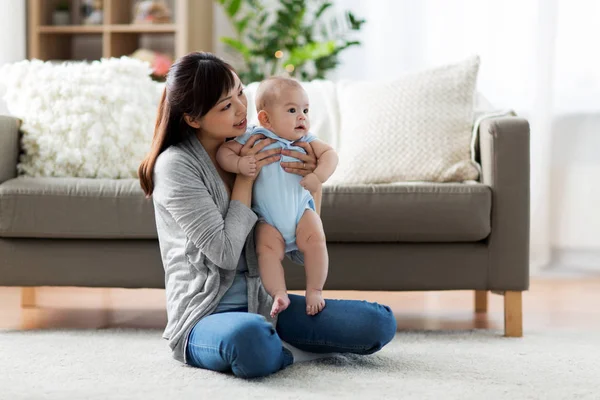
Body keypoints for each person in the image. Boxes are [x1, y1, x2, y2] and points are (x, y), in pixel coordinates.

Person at [138, 52, 397, 379]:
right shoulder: (177, 166)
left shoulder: (259, 142)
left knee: (378, 322)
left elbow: (299, 256)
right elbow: (226, 254)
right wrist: (246, 178)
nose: (242, 109)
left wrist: (310, 185)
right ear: (193, 119)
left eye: (240, 93)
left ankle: (280, 345)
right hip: (205, 315)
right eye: (226, 106)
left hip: (266, 305)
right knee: (251, 339)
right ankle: (285, 349)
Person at [216, 77, 337, 318]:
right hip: (268, 219)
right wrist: (240, 163)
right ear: (265, 119)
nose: (302, 116)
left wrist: (318, 177)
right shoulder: (254, 138)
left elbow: (330, 155)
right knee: (267, 251)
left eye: (305, 110)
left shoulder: (306, 140)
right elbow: (223, 152)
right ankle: (278, 293)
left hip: (301, 211)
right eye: (292, 110)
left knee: (316, 240)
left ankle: (314, 290)